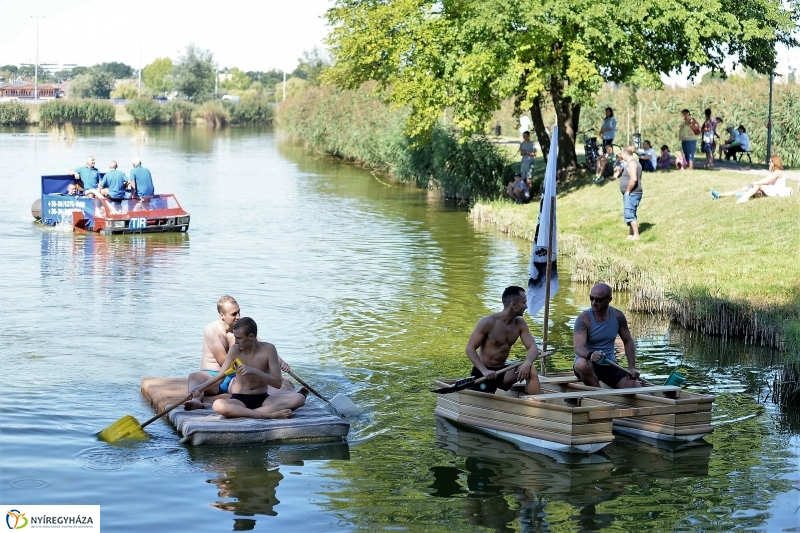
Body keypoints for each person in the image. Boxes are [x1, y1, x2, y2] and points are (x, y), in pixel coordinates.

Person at [185, 296, 293, 410]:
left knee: (257, 381)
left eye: (239, 312)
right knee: (194, 377)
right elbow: (223, 360)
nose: (238, 317)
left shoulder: (242, 331)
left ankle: (285, 397)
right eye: (234, 314)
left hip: (234, 376)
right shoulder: (212, 330)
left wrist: (281, 362)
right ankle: (195, 400)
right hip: (214, 375)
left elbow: (261, 346)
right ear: (222, 315)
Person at [212, 317, 307, 420]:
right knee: (217, 405)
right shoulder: (235, 350)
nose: (235, 341)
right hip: (239, 400)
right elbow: (220, 377)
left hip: (263, 399)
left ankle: (243, 413)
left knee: (299, 398)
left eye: (238, 338)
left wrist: (254, 371)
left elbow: (278, 383)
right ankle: (267, 414)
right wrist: (199, 389)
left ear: (251, 336)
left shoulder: (269, 349)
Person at [465, 286, 540, 395]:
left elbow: (533, 348)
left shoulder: (520, 324)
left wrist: (528, 362)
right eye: (524, 303)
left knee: (531, 369)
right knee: (487, 403)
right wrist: (484, 370)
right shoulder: (488, 322)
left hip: (503, 372)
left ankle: (535, 406)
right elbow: (470, 349)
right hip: (484, 373)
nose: (526, 306)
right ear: (513, 305)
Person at [573, 283, 641, 389]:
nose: (594, 303)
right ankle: (598, 394)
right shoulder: (584, 319)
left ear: (609, 300)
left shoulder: (618, 316)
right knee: (581, 364)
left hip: (609, 364)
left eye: (598, 300)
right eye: (591, 298)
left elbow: (628, 341)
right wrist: (591, 355)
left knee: (633, 385)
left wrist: (632, 368)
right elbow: (578, 347)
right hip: (588, 365)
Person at [712, 155, 792, 203]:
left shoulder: (778, 172)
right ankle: (720, 195)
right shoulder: (773, 172)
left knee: (758, 185)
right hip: (771, 189)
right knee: (746, 187)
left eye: (770, 162)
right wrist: (755, 183)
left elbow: (768, 181)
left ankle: (744, 198)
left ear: (775, 163)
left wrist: (757, 183)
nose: (769, 163)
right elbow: (765, 180)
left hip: (777, 191)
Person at [619, 146, 642, 241]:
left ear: (625, 154)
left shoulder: (632, 164)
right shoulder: (633, 162)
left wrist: (628, 191)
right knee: (631, 212)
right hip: (632, 193)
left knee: (630, 214)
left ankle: (636, 235)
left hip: (632, 193)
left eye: (621, 153)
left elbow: (634, 179)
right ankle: (631, 234)